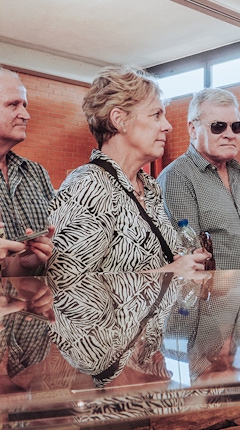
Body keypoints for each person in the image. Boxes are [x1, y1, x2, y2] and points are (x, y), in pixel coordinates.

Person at [47, 65, 208, 282]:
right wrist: (170, 272)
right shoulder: (88, 185)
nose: (168, 126)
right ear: (119, 120)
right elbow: (66, 285)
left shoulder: (149, 187)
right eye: (156, 115)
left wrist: (184, 263)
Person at [157, 88, 240, 270]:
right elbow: (190, 257)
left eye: (236, 126)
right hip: (217, 297)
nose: (230, 134)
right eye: (218, 126)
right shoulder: (177, 178)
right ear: (193, 129)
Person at [0, 68, 55, 276]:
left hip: (31, 303)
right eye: (13, 104)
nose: (26, 115)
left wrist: (25, 263)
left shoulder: (36, 173)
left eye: (24, 105)